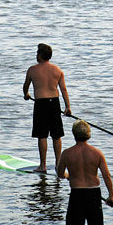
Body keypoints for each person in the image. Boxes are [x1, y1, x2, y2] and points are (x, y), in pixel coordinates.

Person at [57, 120, 113, 225]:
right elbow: (107, 176)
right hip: (94, 193)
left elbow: (59, 173)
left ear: (74, 134)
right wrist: (111, 196)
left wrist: (68, 175)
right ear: (88, 134)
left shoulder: (67, 153)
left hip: (77, 193)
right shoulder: (97, 153)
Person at [23, 44, 72, 173]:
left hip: (41, 104)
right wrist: (68, 106)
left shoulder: (32, 70)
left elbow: (26, 86)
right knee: (56, 135)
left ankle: (43, 165)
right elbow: (63, 90)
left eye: (37, 53)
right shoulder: (57, 70)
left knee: (42, 135)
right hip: (54, 103)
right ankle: (58, 165)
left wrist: (26, 95)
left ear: (40, 55)